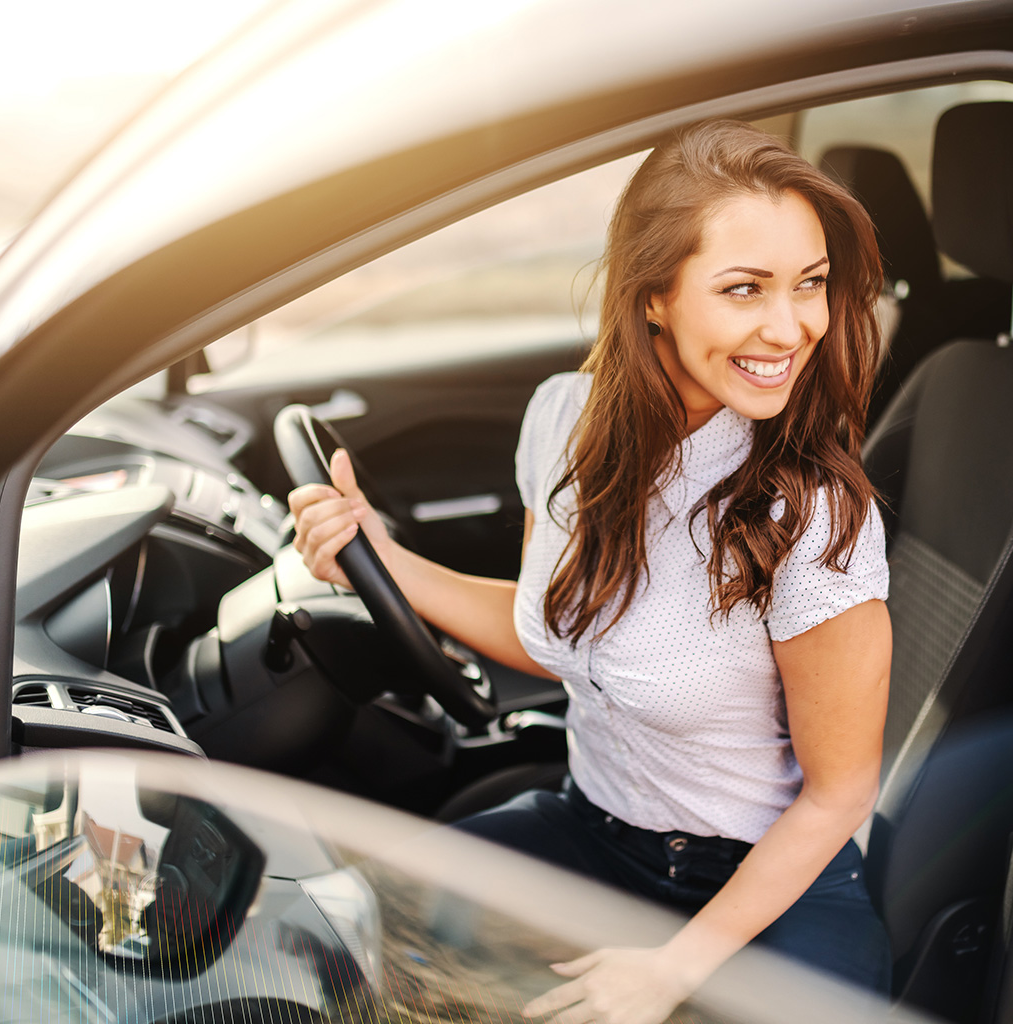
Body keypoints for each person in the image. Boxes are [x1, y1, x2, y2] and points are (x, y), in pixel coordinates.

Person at [289, 119, 892, 1022]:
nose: (792, 326)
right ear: (653, 297)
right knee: (339, 940)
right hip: (592, 832)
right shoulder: (562, 420)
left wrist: (671, 970)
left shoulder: (812, 516)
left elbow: (840, 795)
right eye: (745, 288)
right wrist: (380, 557)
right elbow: (552, 631)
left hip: (772, 888)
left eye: (810, 283)